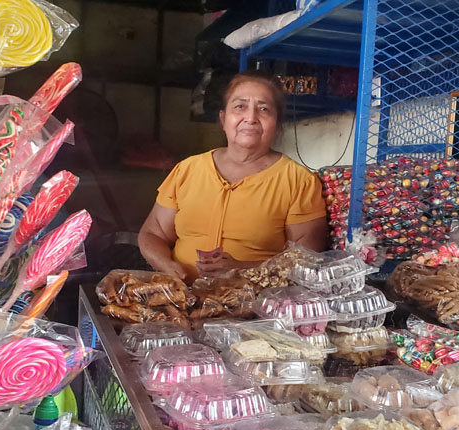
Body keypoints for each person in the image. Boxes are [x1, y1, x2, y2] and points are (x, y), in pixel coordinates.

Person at [139, 70, 328, 281]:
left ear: (276, 122)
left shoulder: (298, 181)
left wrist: (244, 269)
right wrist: (169, 266)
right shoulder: (188, 169)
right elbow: (152, 233)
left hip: (255, 306)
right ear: (223, 118)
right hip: (181, 300)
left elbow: (306, 258)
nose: (250, 117)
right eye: (240, 106)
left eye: (264, 109)